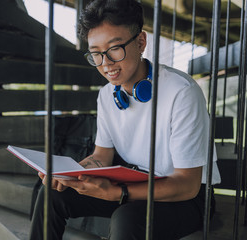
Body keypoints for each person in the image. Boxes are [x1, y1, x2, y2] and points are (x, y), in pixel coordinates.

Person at [29, 0, 221, 239]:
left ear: (141, 42)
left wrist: (118, 193)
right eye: (96, 54)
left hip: (187, 197)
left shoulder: (181, 91)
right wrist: (70, 174)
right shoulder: (106, 95)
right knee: (52, 193)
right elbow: (101, 156)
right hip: (131, 183)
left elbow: (187, 185)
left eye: (114, 48)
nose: (106, 63)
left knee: (127, 217)